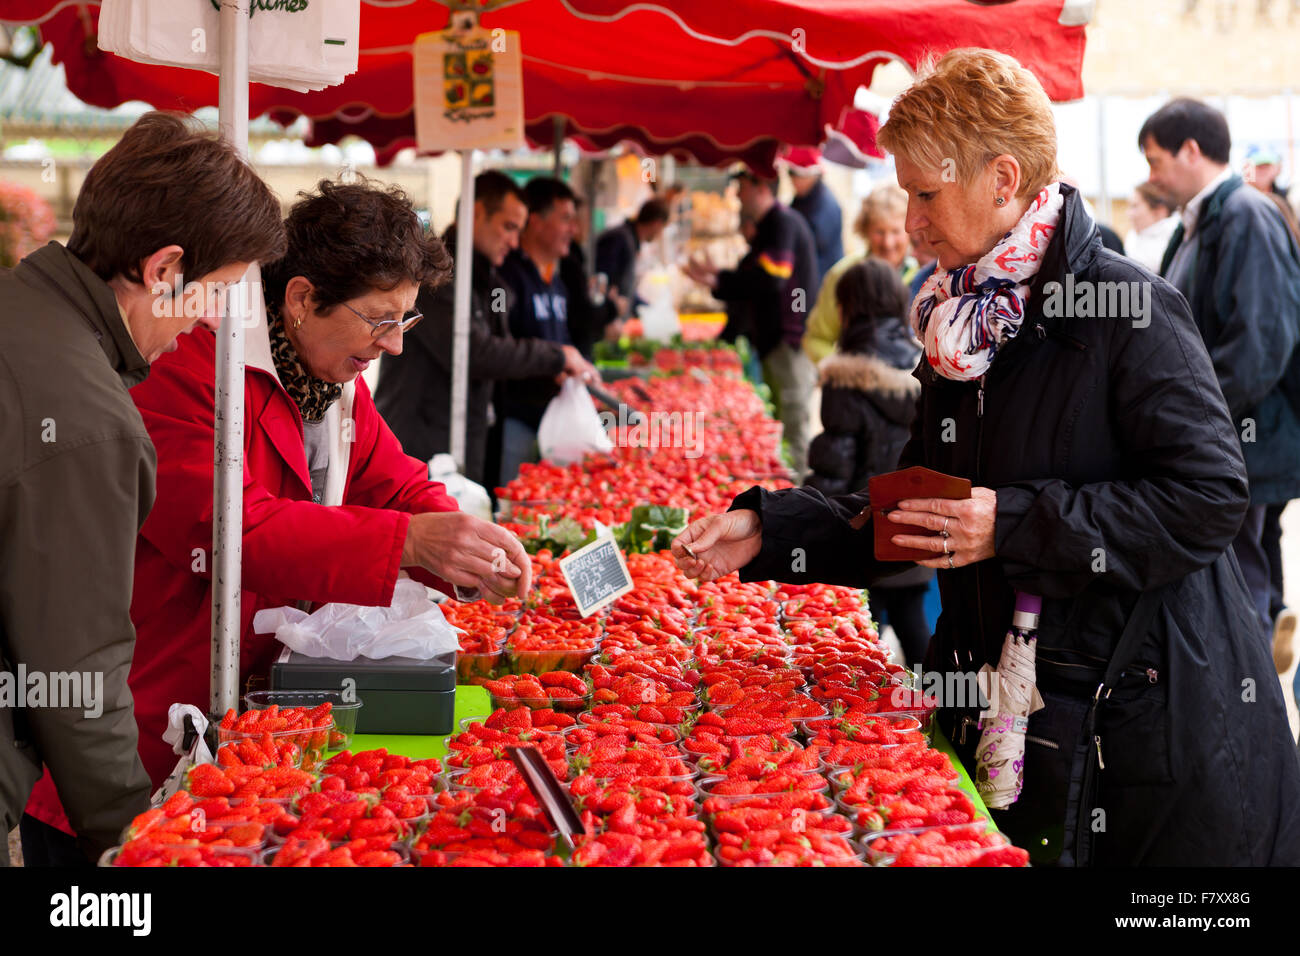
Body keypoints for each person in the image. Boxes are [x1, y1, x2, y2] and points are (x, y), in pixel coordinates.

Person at [672, 49, 1300, 866]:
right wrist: (772, 528)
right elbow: (919, 518)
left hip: (1139, 733)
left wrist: (1013, 523)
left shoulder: (1127, 309)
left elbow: (1211, 496)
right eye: (906, 196)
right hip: (1019, 716)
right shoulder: (958, 325)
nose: (913, 222)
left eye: (926, 194)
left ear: (1003, 179)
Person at [24, 179, 533, 850]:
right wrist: (412, 542)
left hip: (243, 730)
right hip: (139, 725)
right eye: (381, 319)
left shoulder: (330, 383)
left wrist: (463, 546)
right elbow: (232, 529)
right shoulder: (188, 363)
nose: (396, 345)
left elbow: (399, 485)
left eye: (405, 320)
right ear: (299, 300)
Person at [4, 111, 286, 866]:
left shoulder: (18, 309)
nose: (203, 323)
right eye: (209, 295)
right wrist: (132, 836)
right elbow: (74, 662)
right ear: (165, 271)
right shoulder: (90, 419)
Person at [1141, 98, 1300, 668]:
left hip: (1242, 443)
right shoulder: (1199, 221)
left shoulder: (1244, 216)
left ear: (1191, 150)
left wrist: (1198, 422)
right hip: (1226, 442)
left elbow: (1261, 342)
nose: (1151, 175)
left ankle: (1255, 729)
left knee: (1242, 589)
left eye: (1156, 160)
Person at [374, 171, 591, 487]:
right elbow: (476, 352)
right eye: (508, 227)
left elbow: (500, 344)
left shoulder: (493, 283)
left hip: (465, 436)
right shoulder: (435, 276)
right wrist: (556, 356)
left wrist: (550, 370)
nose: (515, 242)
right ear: (476, 214)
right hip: (422, 445)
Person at [805, 258, 934, 665]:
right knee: (912, 616)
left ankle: (869, 715)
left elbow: (834, 467)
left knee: (859, 630)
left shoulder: (845, 375)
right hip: (918, 518)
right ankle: (936, 713)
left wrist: (806, 521)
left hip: (862, 524)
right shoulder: (928, 362)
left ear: (849, 308)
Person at [685, 168, 819, 478]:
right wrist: (719, 280)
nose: (738, 196)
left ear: (761, 187)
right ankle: (788, 491)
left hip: (790, 341)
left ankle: (798, 496)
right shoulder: (771, 225)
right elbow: (757, 277)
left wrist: (720, 279)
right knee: (784, 421)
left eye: (742, 188)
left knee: (793, 419)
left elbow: (771, 278)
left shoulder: (781, 223)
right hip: (777, 341)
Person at [496, 176, 582, 487]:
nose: (573, 229)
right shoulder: (505, 279)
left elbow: (563, 341)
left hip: (553, 422)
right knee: (512, 505)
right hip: (516, 421)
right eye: (565, 219)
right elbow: (498, 347)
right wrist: (555, 361)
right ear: (536, 222)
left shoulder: (556, 283)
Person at [803, 184, 916, 363]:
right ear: (865, 231)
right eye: (879, 232)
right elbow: (817, 339)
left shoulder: (925, 275)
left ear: (910, 230)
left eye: (895, 231)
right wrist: (842, 371)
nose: (888, 242)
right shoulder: (843, 275)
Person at [594, 198, 670, 321]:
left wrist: (648, 309)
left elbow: (625, 290)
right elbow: (600, 281)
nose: (660, 234)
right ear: (657, 224)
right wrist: (612, 304)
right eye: (662, 229)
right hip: (606, 323)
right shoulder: (620, 238)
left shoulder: (628, 240)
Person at [786, 147, 844, 282]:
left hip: (821, 280)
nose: (793, 180)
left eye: (795, 174)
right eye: (790, 173)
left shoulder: (825, 204)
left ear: (811, 175)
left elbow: (809, 243)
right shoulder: (802, 199)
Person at [1123, 182, 1178, 273]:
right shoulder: (1133, 237)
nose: (1129, 214)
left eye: (1135, 206)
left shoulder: (1175, 240)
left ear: (1159, 211)